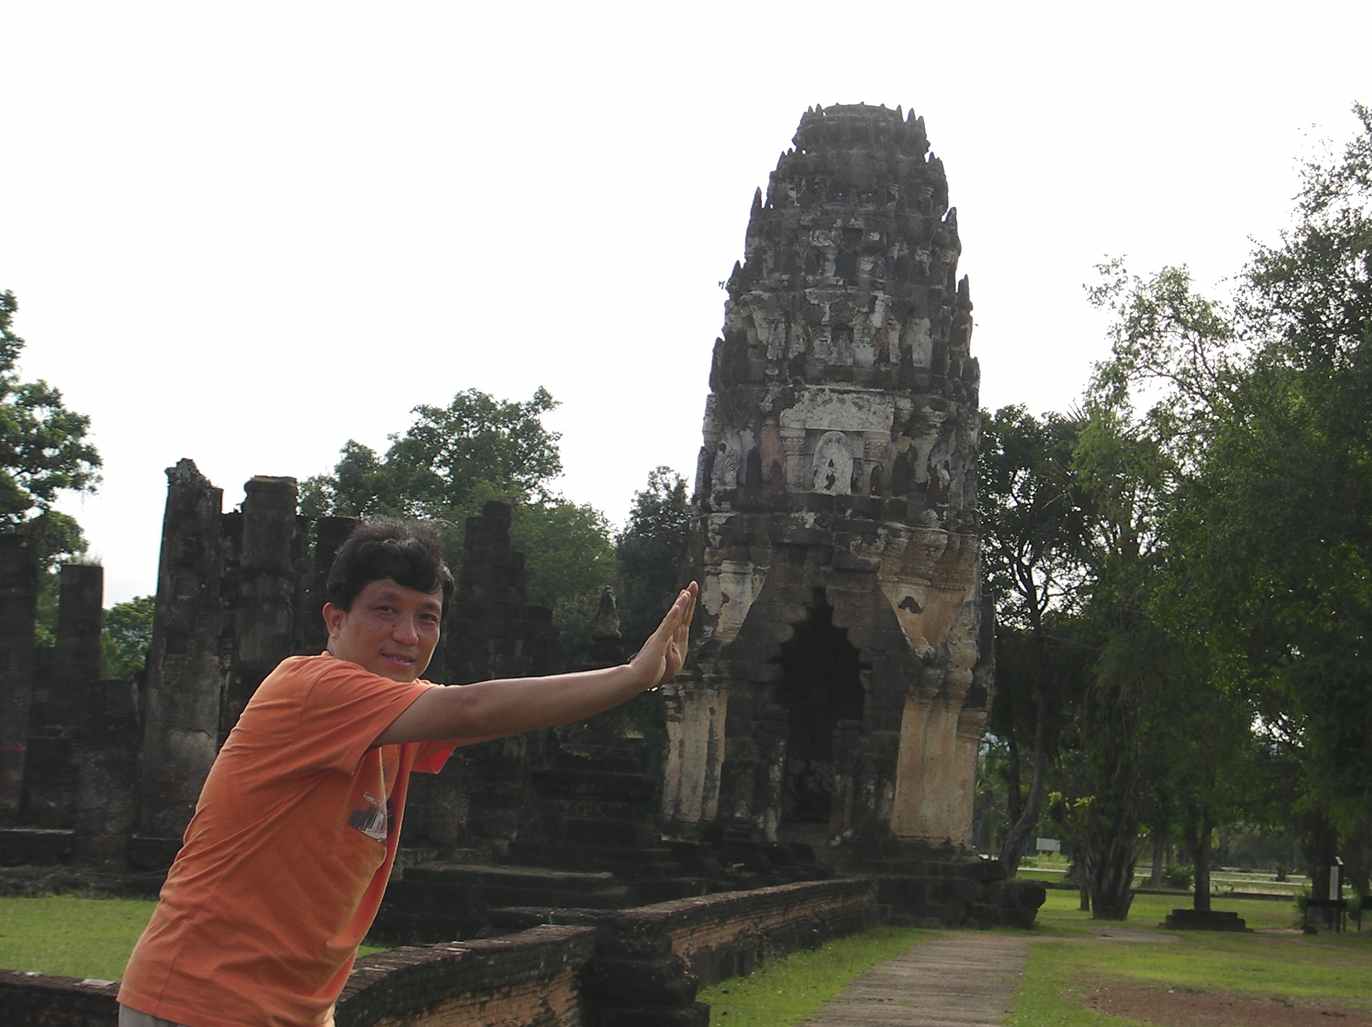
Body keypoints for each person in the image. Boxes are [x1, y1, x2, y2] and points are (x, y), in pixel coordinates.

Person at [116, 519, 697, 1027]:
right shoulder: (312, 688)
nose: (408, 635)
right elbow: (473, 708)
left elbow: (490, 715)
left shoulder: (394, 717)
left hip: (292, 1010)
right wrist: (631, 677)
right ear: (335, 619)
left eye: (427, 617)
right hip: (199, 1000)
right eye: (385, 609)